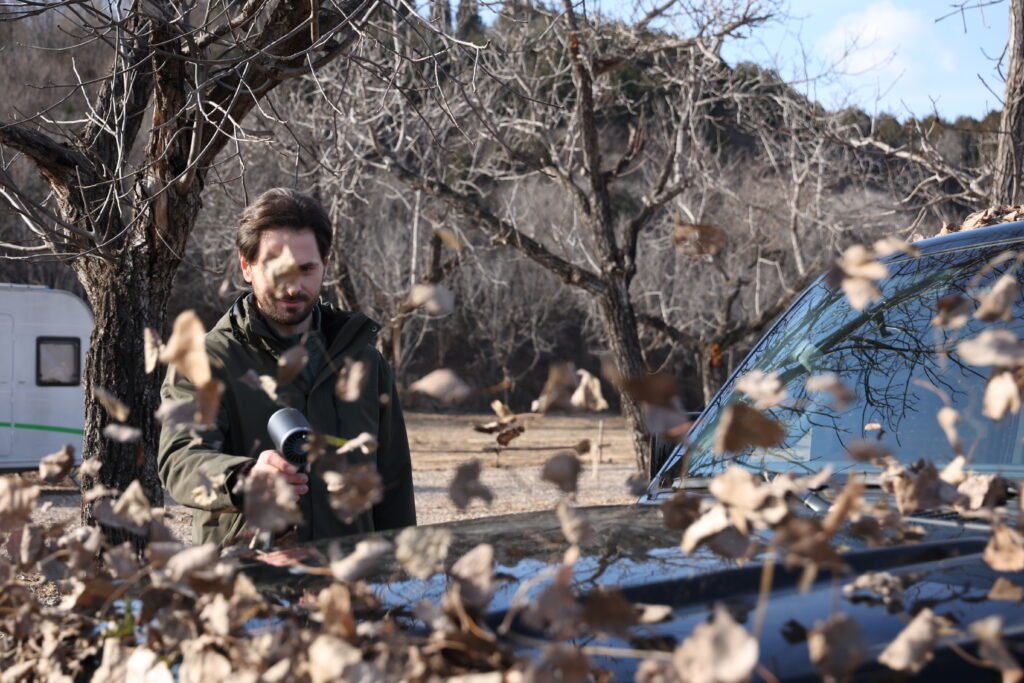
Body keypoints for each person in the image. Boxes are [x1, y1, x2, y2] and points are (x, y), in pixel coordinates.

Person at [158, 188, 416, 546]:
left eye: (306, 269)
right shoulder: (204, 362)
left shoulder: (365, 363)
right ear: (246, 266)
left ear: (325, 265)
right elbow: (180, 460)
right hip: (248, 585)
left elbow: (394, 485)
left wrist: (401, 580)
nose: (293, 287)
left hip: (350, 585)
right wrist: (244, 478)